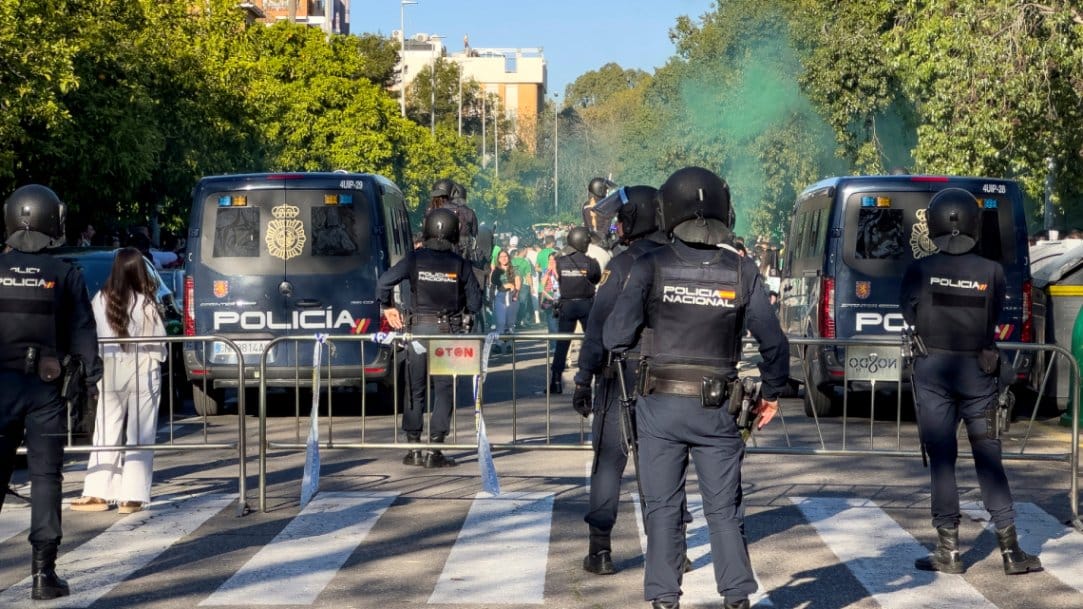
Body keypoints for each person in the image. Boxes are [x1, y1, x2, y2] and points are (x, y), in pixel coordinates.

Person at [603, 167, 788, 609]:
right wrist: (772, 392)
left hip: (659, 409)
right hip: (720, 410)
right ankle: (737, 597)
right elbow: (773, 343)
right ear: (724, 212)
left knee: (663, 509)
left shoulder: (650, 265)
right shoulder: (743, 271)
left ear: (668, 211)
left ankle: (665, 600)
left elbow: (614, 338)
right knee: (724, 510)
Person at [901, 188, 1042, 576]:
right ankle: (1011, 551)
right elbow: (994, 316)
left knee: (942, 464)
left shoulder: (920, 269)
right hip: (979, 374)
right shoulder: (991, 271)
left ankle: (948, 551)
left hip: (933, 374)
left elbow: (907, 311)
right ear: (973, 224)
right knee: (989, 461)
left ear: (932, 224)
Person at [0, 184, 101, 600]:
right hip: (45, 388)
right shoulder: (65, 274)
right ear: (51, 221)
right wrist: (90, 384)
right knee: (45, 479)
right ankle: (44, 574)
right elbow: (83, 336)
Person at [572, 185, 673, 575]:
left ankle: (600, 551)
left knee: (610, 461)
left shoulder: (624, 263)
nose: (615, 223)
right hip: (669, 377)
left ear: (634, 219)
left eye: (620, 217)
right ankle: (670, 550)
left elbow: (598, 327)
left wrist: (583, 378)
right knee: (663, 463)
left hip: (622, 372)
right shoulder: (681, 258)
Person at [377, 208, 482, 468]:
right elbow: (476, 304)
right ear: (454, 232)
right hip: (448, 334)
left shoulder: (414, 259)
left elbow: (384, 282)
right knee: (445, 390)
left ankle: (413, 447)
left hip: (418, 333)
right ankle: (436, 449)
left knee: (415, 388)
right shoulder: (460, 264)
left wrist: (388, 307)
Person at [71, 247, 166, 515]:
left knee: (105, 430)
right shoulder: (145, 302)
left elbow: (93, 334)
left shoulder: (101, 298)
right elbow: (159, 341)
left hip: (111, 370)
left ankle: (98, 491)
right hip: (143, 369)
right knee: (140, 434)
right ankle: (132, 496)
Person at [550, 226, 601, 394]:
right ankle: (598, 378)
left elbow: (557, 279)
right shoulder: (591, 262)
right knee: (592, 342)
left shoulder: (560, 261)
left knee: (562, 344)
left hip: (567, 305)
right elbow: (596, 278)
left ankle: (556, 381)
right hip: (587, 304)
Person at [490, 249, 520, 353]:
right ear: (498, 259)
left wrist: (516, 293)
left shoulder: (514, 269)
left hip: (512, 296)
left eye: (505, 256)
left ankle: (509, 345)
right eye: (501, 256)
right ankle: (498, 344)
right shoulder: (496, 271)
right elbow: (493, 283)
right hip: (500, 297)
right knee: (500, 321)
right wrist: (491, 298)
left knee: (510, 322)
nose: (504, 258)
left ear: (509, 257)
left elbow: (518, 282)